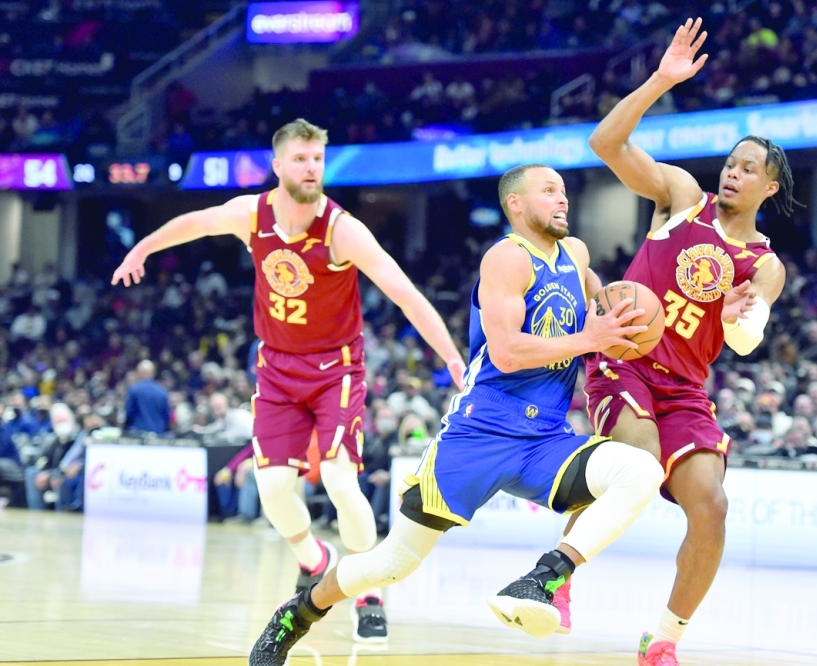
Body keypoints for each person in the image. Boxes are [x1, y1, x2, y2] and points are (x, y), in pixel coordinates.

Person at [246, 164, 717, 666]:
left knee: (640, 469)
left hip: (545, 438)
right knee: (392, 563)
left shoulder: (576, 255)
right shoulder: (506, 258)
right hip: (483, 430)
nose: (562, 199)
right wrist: (589, 339)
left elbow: (608, 312)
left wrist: (700, 314)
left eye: (563, 191)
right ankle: (295, 615)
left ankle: (544, 579)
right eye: (549, 191)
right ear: (516, 204)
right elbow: (508, 353)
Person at [112, 118, 466, 644]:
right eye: (300, 159)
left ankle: (368, 592)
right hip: (277, 367)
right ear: (278, 165)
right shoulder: (251, 214)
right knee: (273, 490)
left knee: (341, 482)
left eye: (317, 159)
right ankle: (315, 559)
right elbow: (195, 223)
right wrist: (142, 248)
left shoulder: (341, 229)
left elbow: (405, 294)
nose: (311, 168)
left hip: (334, 367)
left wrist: (453, 359)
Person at [582, 18, 793, 666]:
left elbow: (748, 338)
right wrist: (660, 80)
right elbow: (604, 142)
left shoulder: (764, 263)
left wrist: (738, 318)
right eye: (730, 163)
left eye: (748, 169)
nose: (733, 174)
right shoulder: (681, 196)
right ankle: (556, 570)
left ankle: (665, 639)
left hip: (683, 388)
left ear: (769, 187)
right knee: (640, 461)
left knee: (713, 507)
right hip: (625, 360)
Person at [124, 360, 171, 435]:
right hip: (158, 434)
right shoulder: (162, 391)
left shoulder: (134, 390)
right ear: (153, 373)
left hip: (137, 434)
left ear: (139, 373)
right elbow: (167, 416)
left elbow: (129, 413)